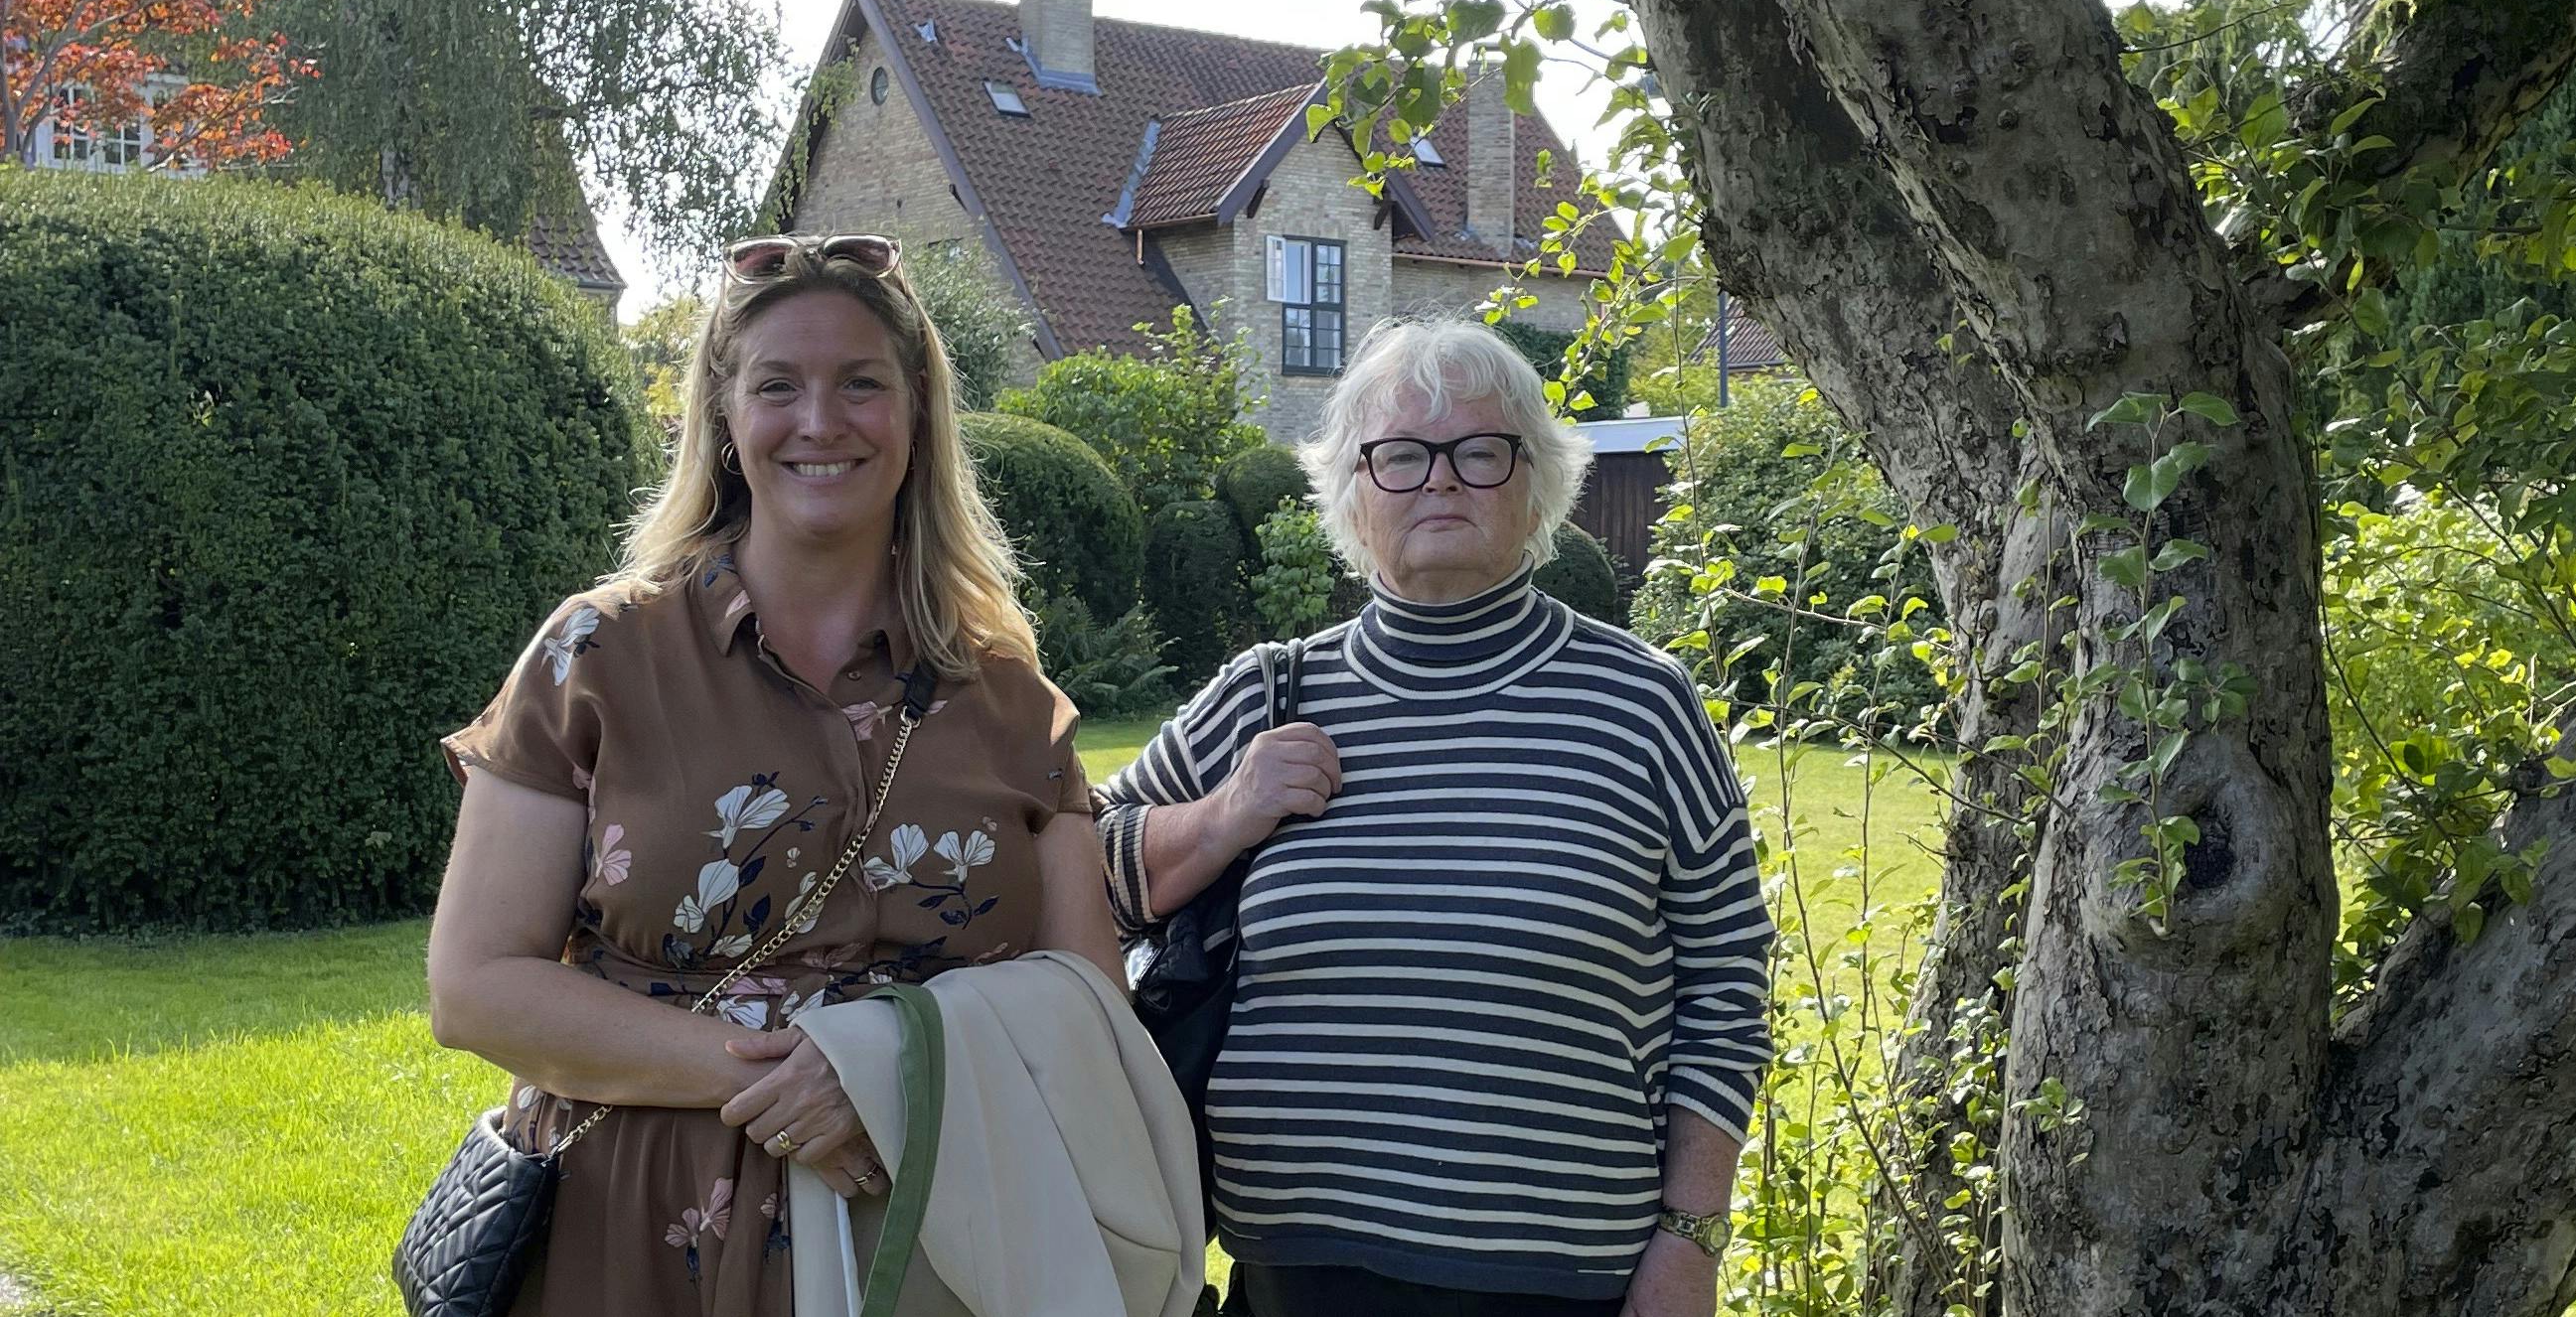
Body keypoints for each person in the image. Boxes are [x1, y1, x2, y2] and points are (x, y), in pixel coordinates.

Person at [427, 232, 1122, 1315]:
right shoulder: (594, 658)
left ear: (918, 414)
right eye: (778, 385)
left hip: (934, 1243)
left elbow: (1090, 1006)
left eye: (861, 383)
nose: (820, 421)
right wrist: (801, 1075)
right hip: (629, 1242)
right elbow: (475, 988)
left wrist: (891, 1078)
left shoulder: (1012, 702)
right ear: (723, 418)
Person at [1097, 318, 1775, 1317]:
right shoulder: (1271, 694)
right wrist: (1224, 815)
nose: (1442, 480)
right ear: (1353, 490)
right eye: (1404, 454)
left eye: (1480, 452)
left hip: (1562, 1282)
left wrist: (1691, 1243)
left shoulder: (1640, 705)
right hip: (1297, 1279)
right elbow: (1079, 866)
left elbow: (1726, 987)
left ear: (1534, 481)